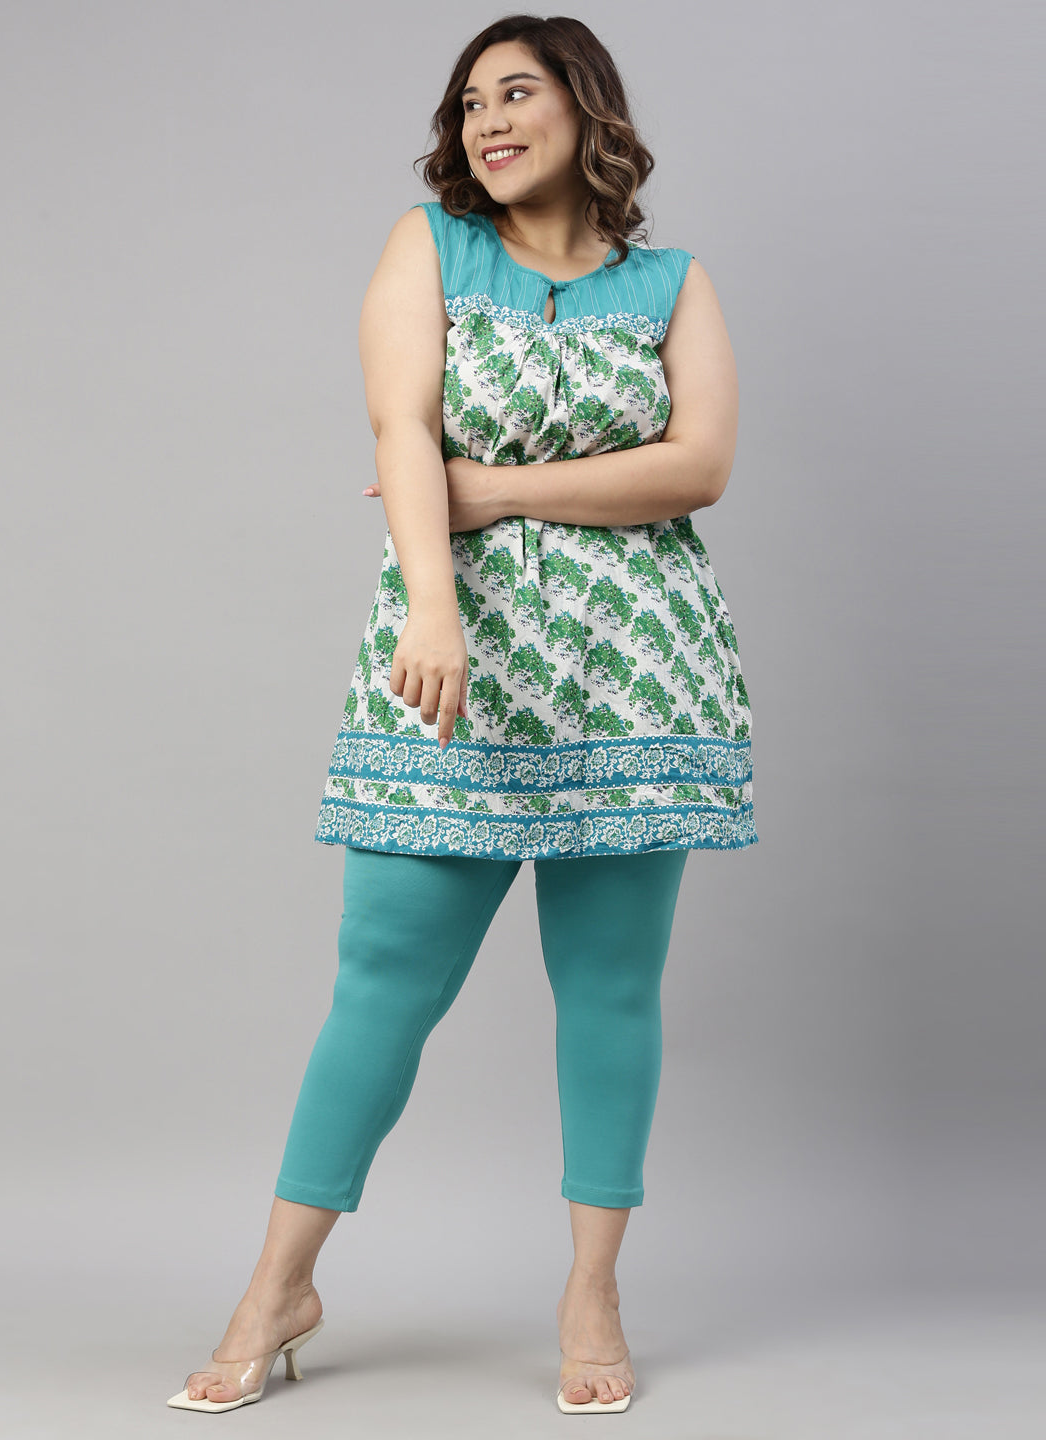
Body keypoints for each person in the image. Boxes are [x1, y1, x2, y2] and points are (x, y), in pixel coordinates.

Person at [167, 12, 756, 1417]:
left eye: (517, 92)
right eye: (470, 101)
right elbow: (401, 432)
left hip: (637, 675)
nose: (487, 120)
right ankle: (277, 1288)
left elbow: (700, 467)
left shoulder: (674, 283)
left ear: (587, 109)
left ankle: (593, 1291)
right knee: (382, 982)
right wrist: (432, 608)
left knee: (610, 991)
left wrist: (492, 488)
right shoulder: (426, 248)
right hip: (454, 659)